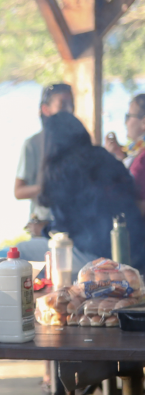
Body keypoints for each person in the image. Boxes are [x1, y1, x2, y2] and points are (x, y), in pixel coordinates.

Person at [39, 112, 145, 270]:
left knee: (24, 251)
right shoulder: (103, 155)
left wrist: (43, 229)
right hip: (137, 248)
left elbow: (64, 229)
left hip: (99, 258)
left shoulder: (59, 170)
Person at [13, 83, 74, 261]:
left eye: (72, 105)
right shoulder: (33, 144)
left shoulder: (77, 144)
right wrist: (47, 186)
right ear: (45, 109)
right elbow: (18, 191)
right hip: (43, 226)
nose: (69, 111)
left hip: (71, 229)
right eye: (63, 105)